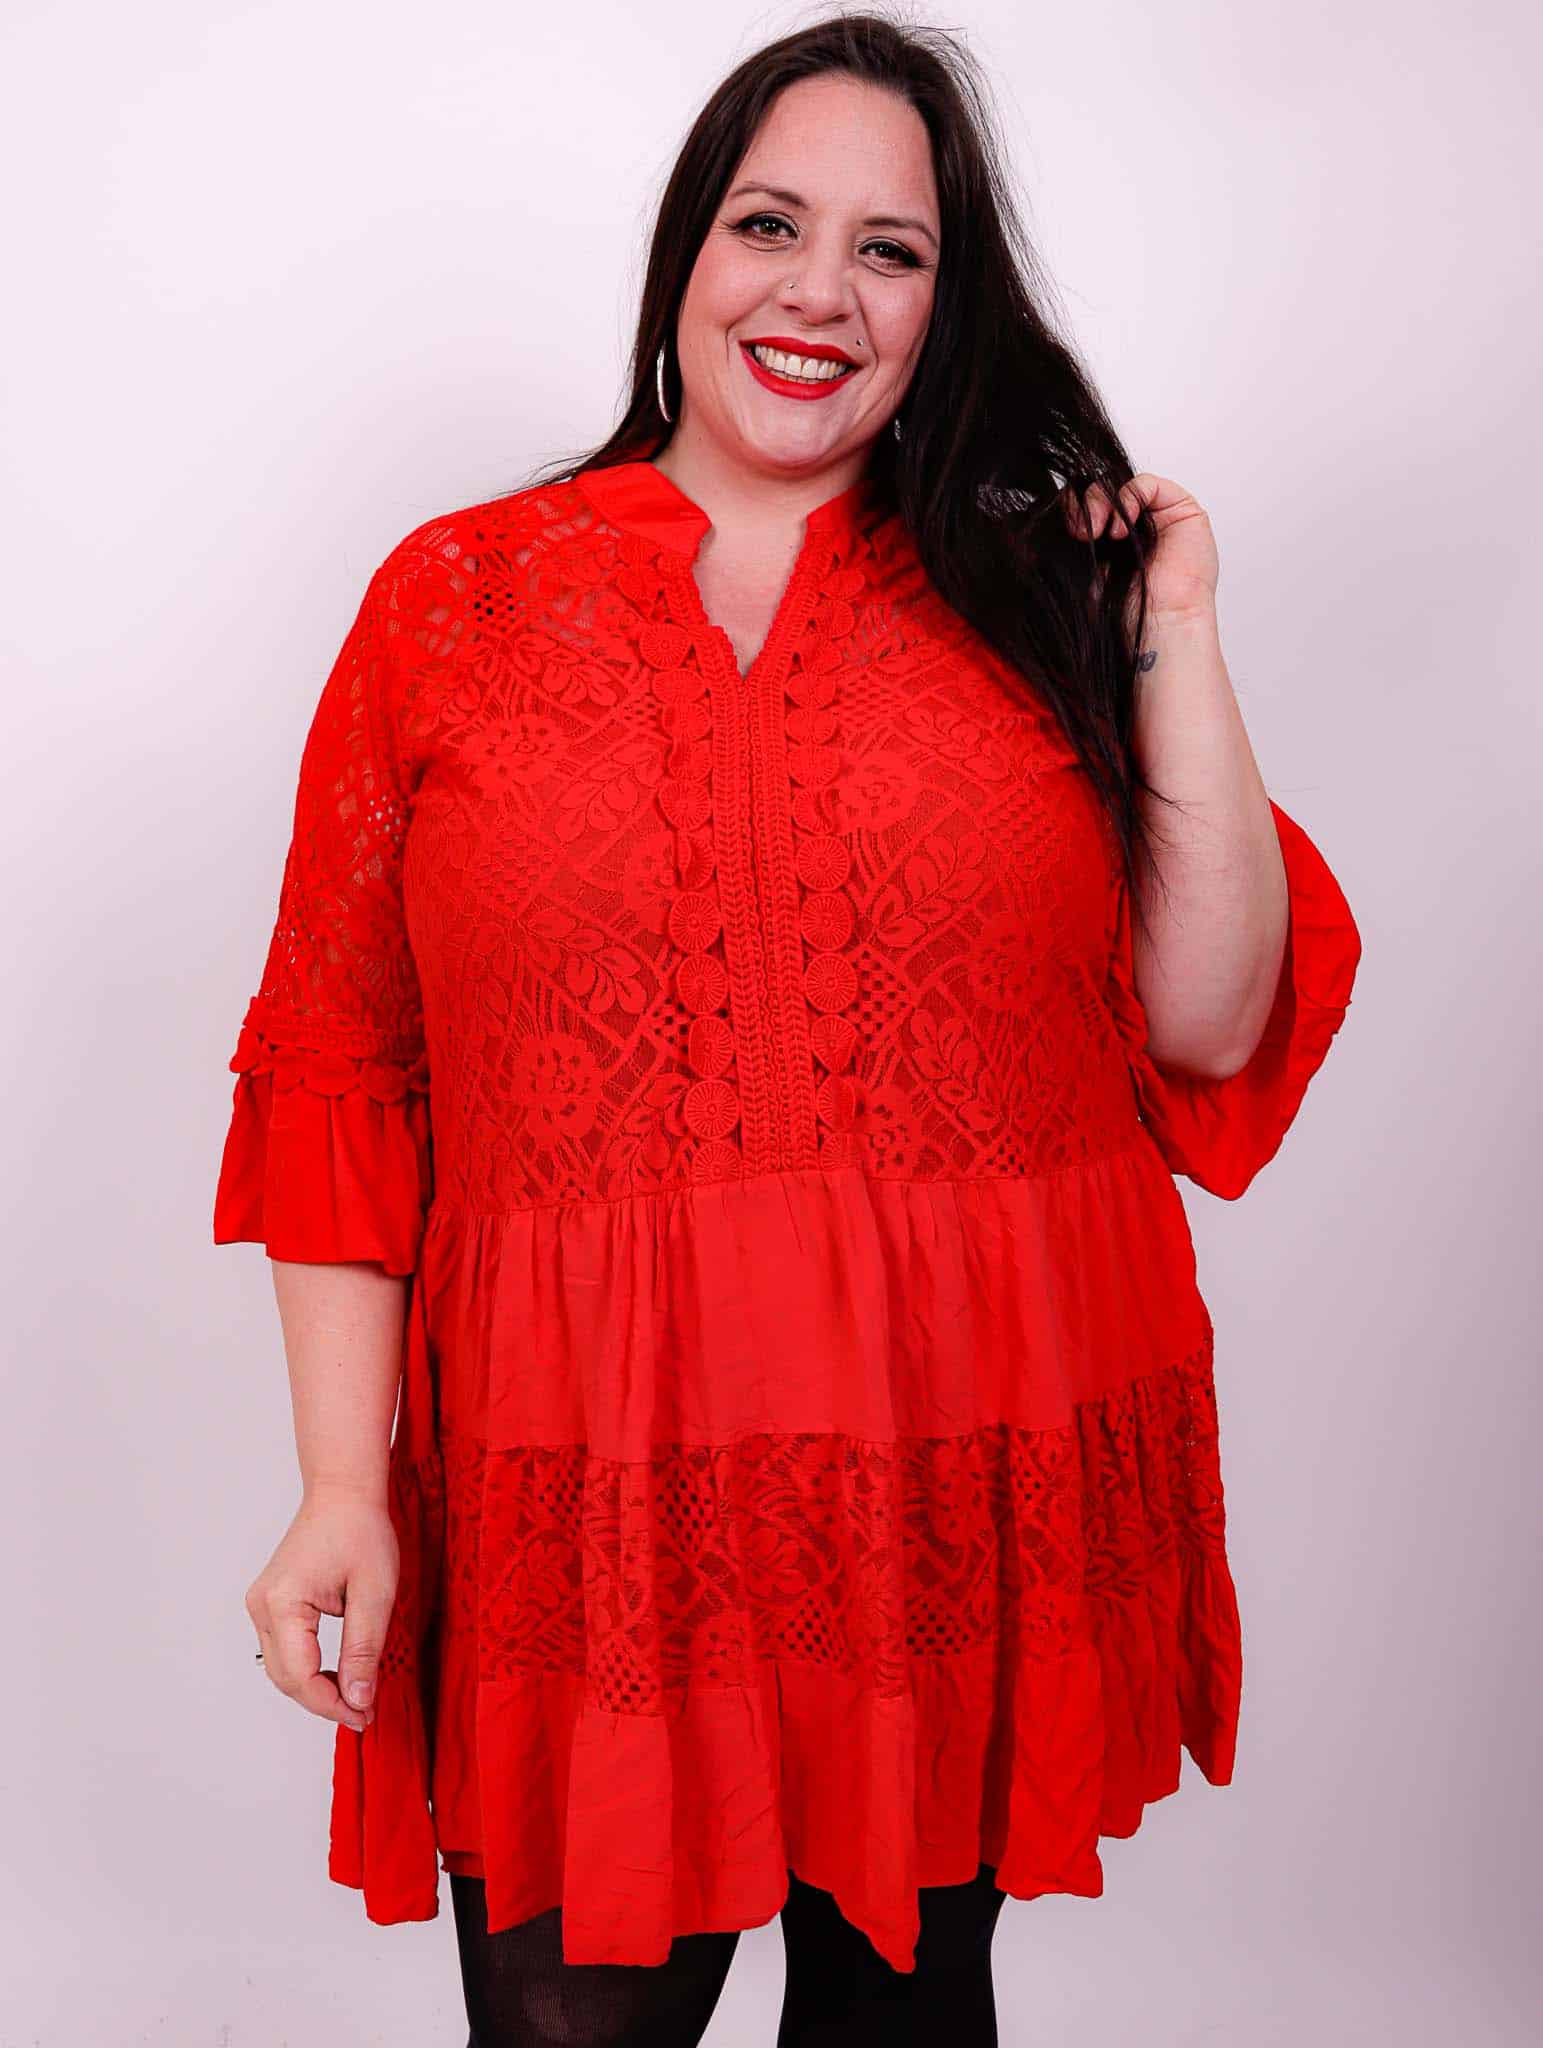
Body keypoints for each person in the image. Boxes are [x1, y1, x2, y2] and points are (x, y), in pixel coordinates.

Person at [217, 12, 1363, 2045]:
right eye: (770, 224)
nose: (818, 290)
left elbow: (1208, 1017)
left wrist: (1173, 632)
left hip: (949, 1476)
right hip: (590, 1498)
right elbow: (344, 1067)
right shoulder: (453, 603)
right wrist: (339, 1486)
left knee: (902, 2020)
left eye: (888, 249)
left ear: (946, 304)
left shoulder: (1028, 596)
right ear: (687, 250)